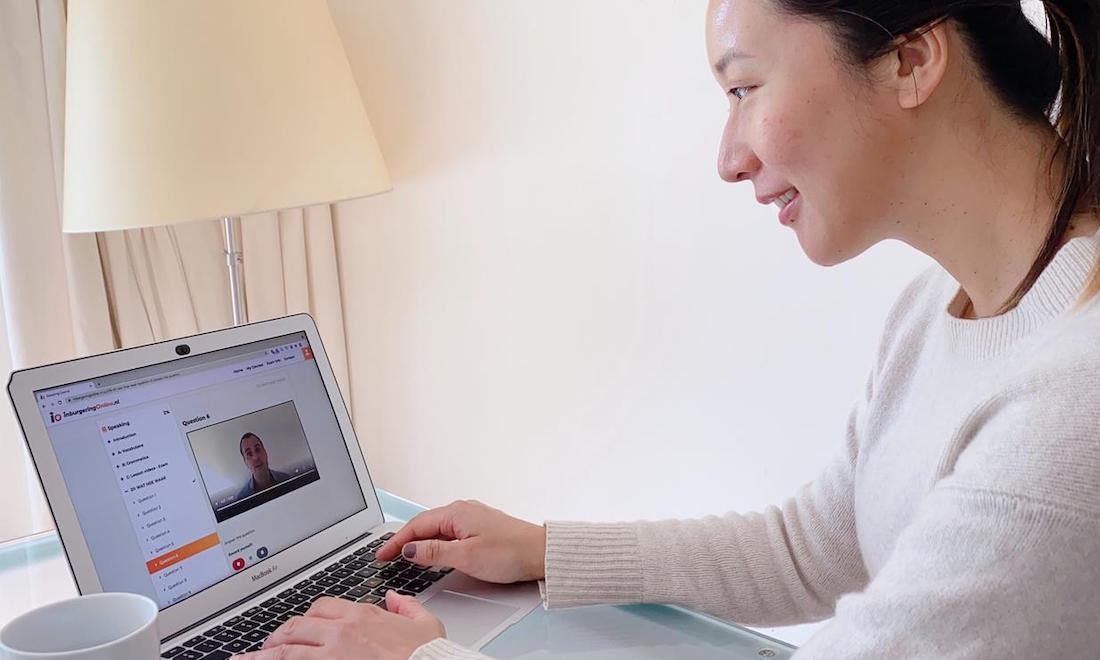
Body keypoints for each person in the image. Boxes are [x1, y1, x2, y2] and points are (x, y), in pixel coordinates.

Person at [231, 0, 1100, 658]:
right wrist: (543, 549)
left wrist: (422, 656)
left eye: (745, 88)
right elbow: (818, 546)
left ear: (912, 60)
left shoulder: (1069, 402)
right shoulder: (932, 316)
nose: (729, 156)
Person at [236, 432, 291, 500]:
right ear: (245, 462)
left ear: (265, 452)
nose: (255, 457)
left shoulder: (287, 480)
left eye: (257, 449)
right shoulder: (242, 498)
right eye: (249, 453)